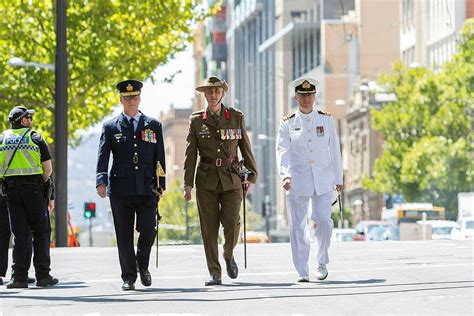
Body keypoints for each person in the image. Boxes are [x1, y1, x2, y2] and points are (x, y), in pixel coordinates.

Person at [183, 76, 258, 286]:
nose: (213, 94)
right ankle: (214, 272)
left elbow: (246, 148)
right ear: (205, 95)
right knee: (209, 228)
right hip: (206, 180)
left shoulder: (235, 117)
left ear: (222, 93)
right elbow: (190, 155)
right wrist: (187, 184)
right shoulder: (197, 120)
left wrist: (251, 175)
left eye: (217, 91)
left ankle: (228, 254)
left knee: (232, 223)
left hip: (232, 178)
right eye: (209, 91)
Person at [96, 79, 166, 291]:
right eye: (127, 98)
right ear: (121, 99)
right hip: (121, 188)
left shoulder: (153, 125)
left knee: (148, 228)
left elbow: (159, 156)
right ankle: (129, 277)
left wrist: (161, 184)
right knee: (124, 234)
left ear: (140, 98)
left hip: (147, 187)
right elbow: (103, 156)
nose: (131, 101)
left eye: (134, 97)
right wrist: (101, 180)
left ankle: (141, 263)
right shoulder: (110, 126)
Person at [276, 78, 343, 282]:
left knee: (323, 220)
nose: (306, 99)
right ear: (296, 98)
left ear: (315, 96)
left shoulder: (326, 119)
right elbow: (282, 151)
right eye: (302, 96)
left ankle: (321, 262)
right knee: (298, 226)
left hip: (323, 179)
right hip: (297, 180)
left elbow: (335, 150)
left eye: (310, 95)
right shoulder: (287, 123)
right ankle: (302, 270)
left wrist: (338, 178)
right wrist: (285, 175)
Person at [0, 106, 57, 288]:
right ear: (23, 120)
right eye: (29, 117)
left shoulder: (2, 139)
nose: (31, 120)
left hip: (11, 191)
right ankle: (42, 276)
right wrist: (42, 184)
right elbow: (48, 169)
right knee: (40, 232)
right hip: (34, 190)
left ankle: (19, 278)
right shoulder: (35, 137)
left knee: (19, 233)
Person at [0, 195, 35, 286]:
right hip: (11, 190)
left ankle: (19, 273)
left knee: (10, 233)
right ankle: (19, 273)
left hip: (9, 190)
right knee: (22, 232)